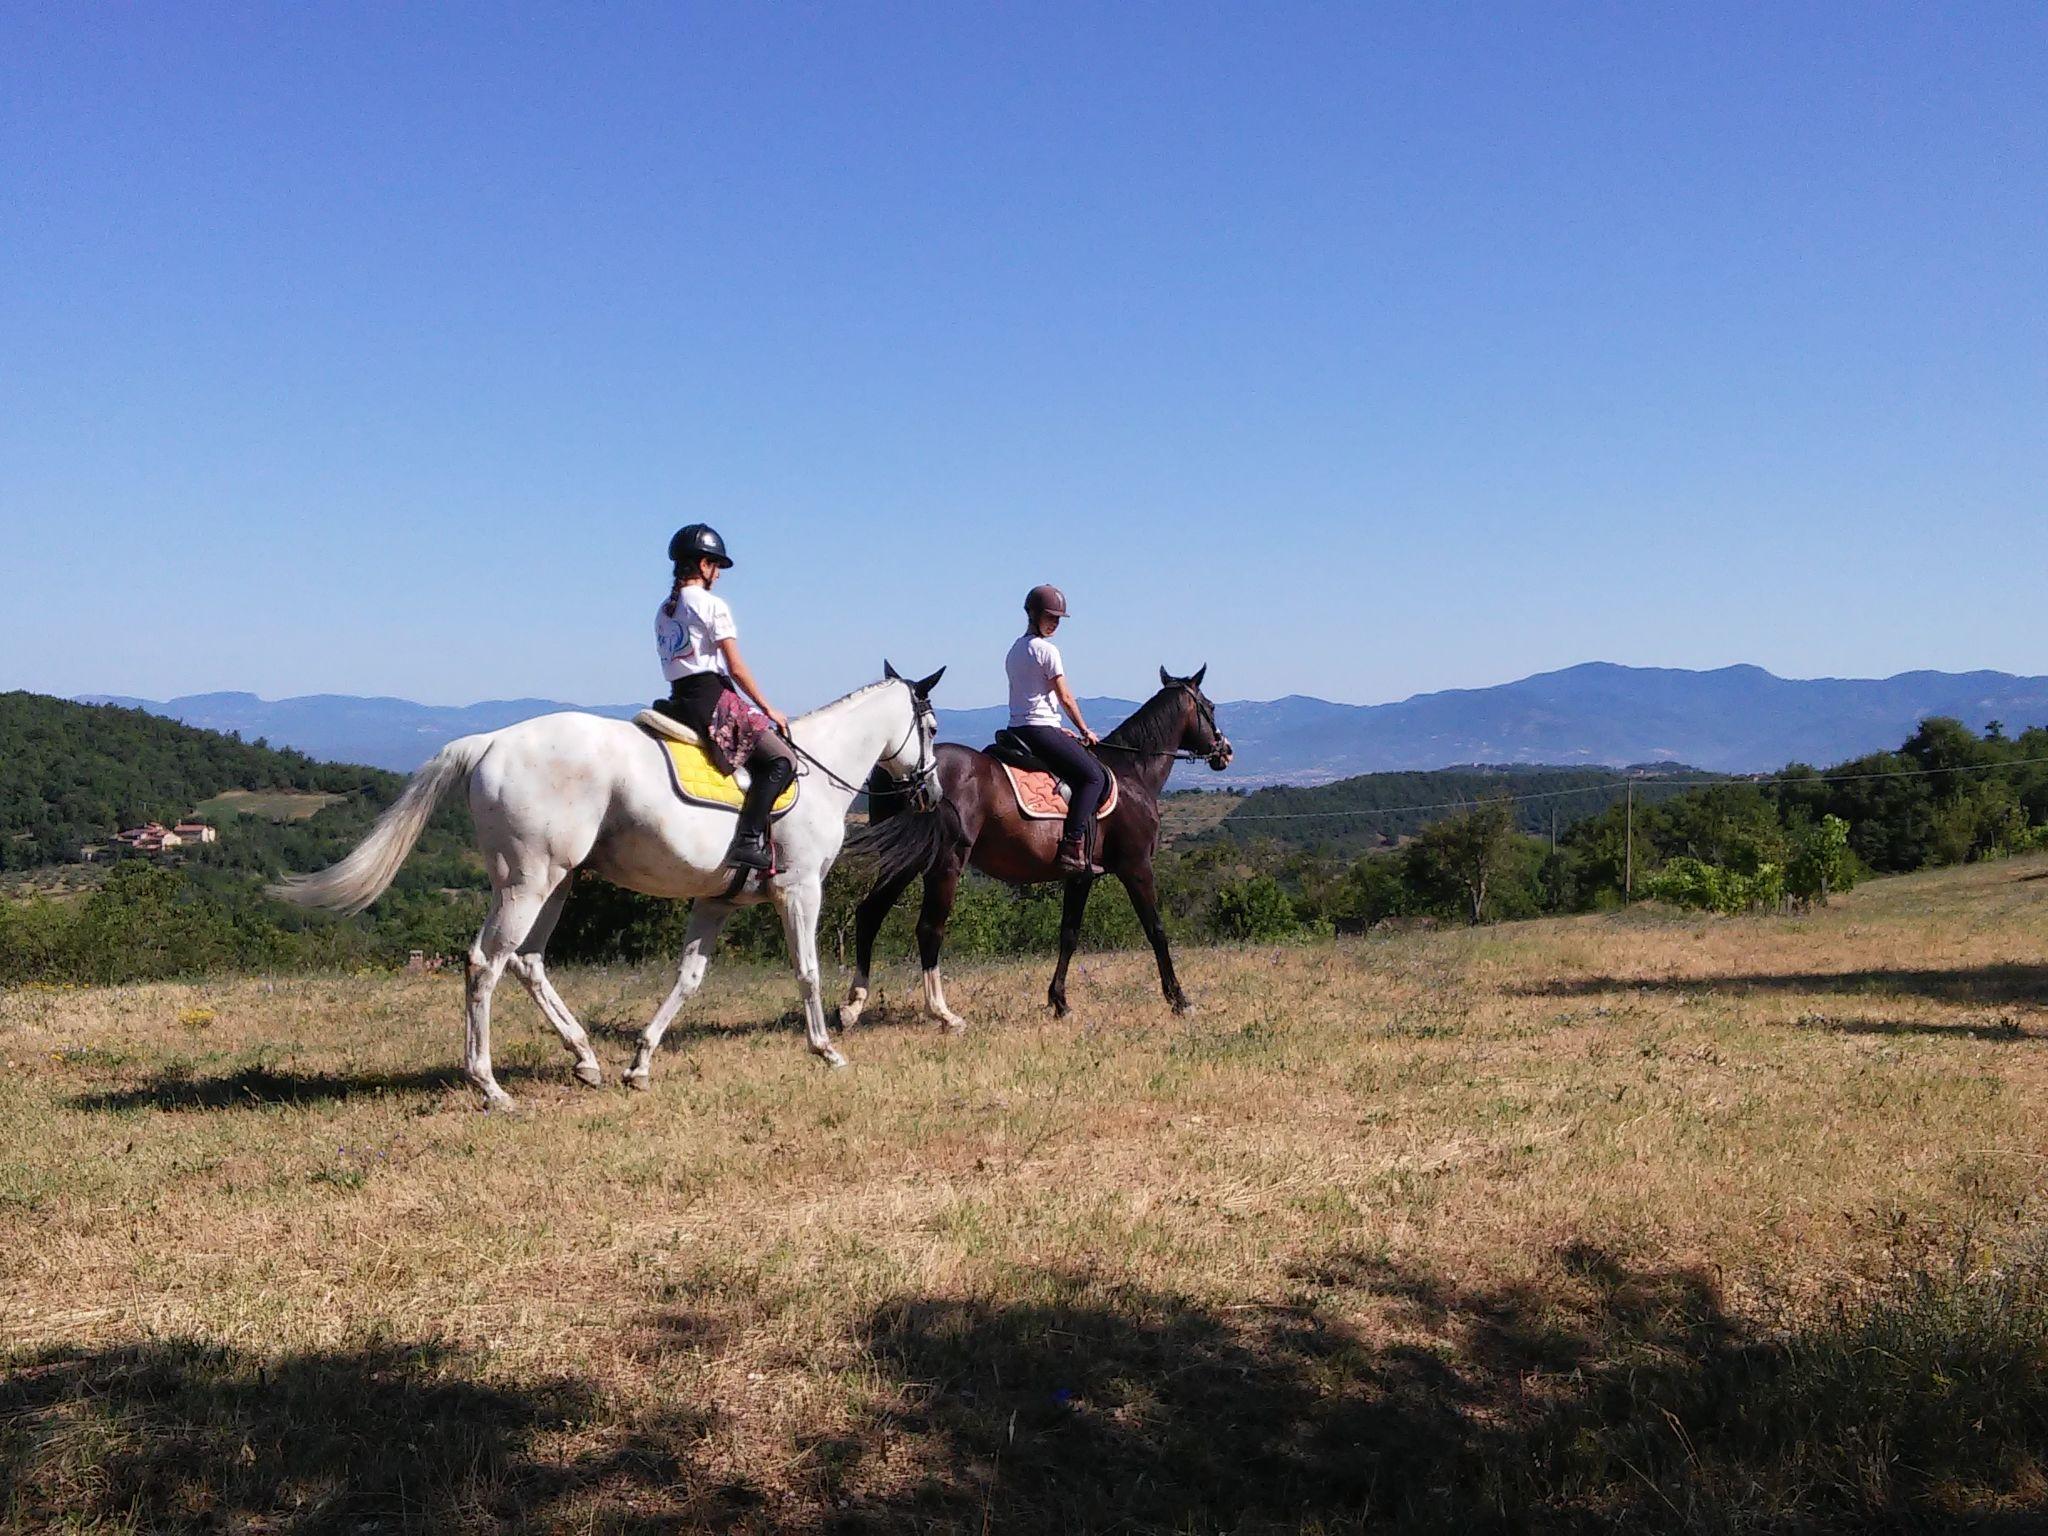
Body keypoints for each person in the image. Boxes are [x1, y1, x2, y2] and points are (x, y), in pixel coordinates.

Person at [655, 524, 797, 871]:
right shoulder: (710, 604)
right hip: (711, 698)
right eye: (715, 566)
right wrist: (767, 708)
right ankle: (748, 840)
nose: (718, 575)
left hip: (679, 699)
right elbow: (736, 667)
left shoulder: (664, 609)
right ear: (703, 565)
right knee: (782, 760)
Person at [1005, 583, 1108, 874]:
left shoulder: (1014, 650)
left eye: (1058, 619)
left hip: (1019, 728)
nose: (1055, 624)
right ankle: (1072, 846)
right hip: (1039, 730)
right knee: (1093, 777)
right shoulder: (1047, 650)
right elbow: (1064, 696)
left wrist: (1058, 728)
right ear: (1034, 615)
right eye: (1050, 617)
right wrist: (1085, 729)